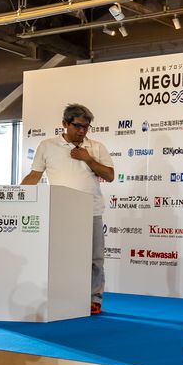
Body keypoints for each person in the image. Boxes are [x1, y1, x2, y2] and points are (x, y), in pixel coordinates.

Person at [21, 103, 114, 315]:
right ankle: (62, 296)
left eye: (86, 127)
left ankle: (94, 299)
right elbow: (34, 175)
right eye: (78, 126)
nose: (82, 131)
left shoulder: (96, 147)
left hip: (91, 211)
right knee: (60, 257)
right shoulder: (47, 145)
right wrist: (19, 197)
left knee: (95, 258)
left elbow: (109, 175)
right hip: (59, 211)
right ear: (65, 124)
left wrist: (88, 159)